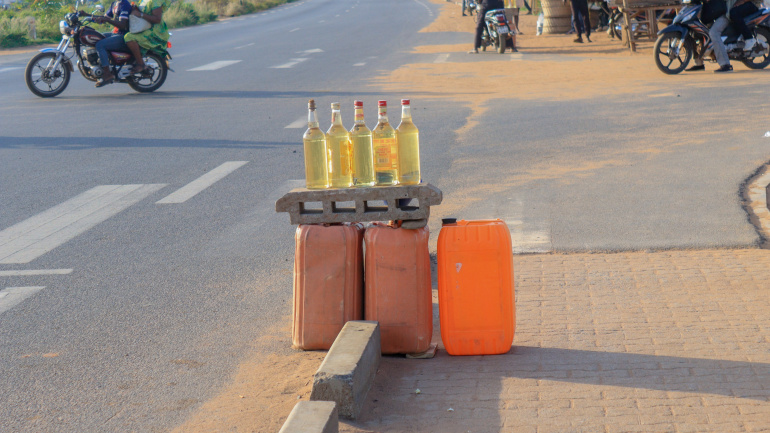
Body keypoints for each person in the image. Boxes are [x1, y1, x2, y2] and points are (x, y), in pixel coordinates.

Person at [91, 0, 132, 87]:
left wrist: (106, 19)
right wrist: (86, 15)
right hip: (117, 34)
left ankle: (107, 74)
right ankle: (105, 64)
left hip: (124, 36)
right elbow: (104, 17)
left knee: (100, 45)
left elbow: (122, 25)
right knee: (98, 37)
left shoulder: (125, 4)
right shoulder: (115, 3)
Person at [123, 0, 169, 75]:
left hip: (155, 31)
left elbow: (157, 19)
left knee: (128, 37)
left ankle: (141, 64)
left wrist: (140, 14)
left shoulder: (155, 1)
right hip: (145, 27)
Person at [687, 0, 732, 72]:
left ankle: (725, 64)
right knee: (695, 31)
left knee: (714, 32)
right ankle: (699, 64)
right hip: (710, 16)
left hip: (723, 15)